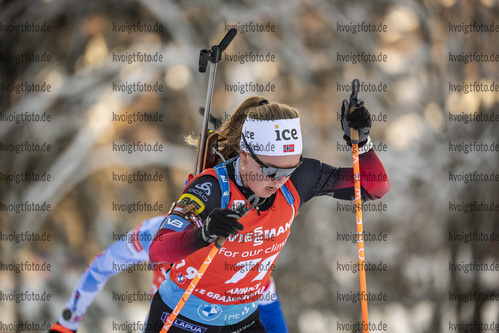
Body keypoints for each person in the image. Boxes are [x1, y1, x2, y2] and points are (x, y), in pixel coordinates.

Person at [144, 96, 390, 332]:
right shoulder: (211, 188)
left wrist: (363, 144)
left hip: (242, 320)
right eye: (270, 170)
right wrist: (202, 234)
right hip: (182, 317)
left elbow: (373, 187)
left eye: (289, 170)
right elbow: (158, 250)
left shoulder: (300, 179)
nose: (279, 181)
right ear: (245, 156)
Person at [48, 215, 289, 333]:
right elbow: (102, 267)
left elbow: (269, 306)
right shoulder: (157, 233)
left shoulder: (241, 256)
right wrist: (68, 321)